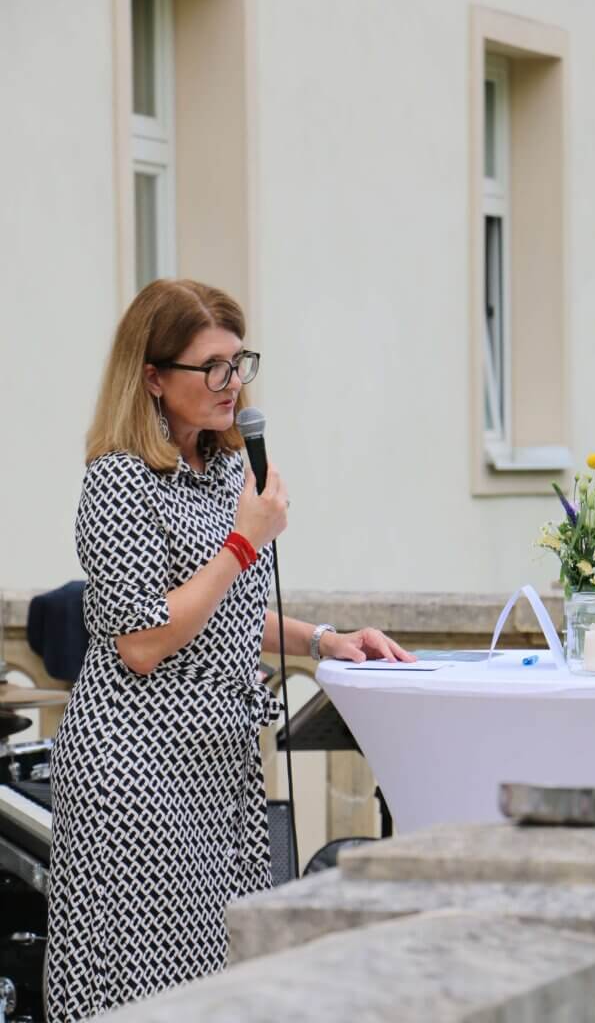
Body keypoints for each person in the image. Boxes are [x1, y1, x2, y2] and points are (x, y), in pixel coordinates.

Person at [46, 278, 414, 1022]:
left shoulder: (223, 473)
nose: (232, 383)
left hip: (221, 769)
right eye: (210, 366)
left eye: (238, 362)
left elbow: (225, 610)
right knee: (142, 989)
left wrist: (323, 641)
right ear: (151, 377)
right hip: (136, 774)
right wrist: (245, 540)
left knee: (219, 986)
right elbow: (144, 639)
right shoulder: (118, 482)